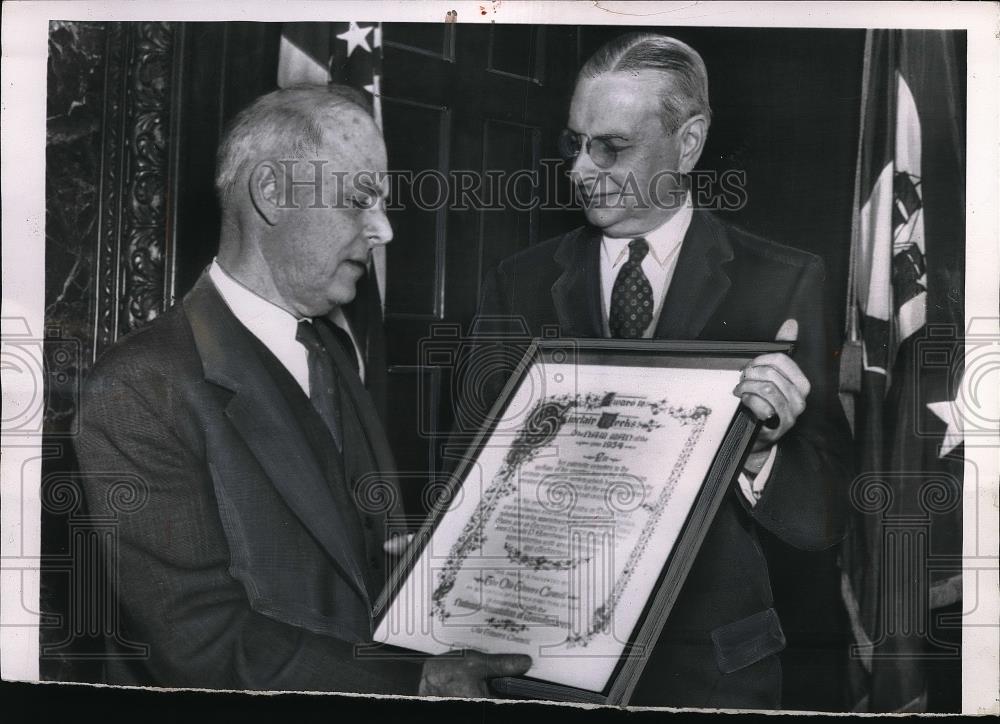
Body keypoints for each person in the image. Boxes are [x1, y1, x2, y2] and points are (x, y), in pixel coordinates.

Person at [74, 85, 530, 695]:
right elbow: (199, 644)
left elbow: (351, 553)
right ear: (271, 193)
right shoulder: (139, 387)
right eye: (360, 199)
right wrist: (416, 681)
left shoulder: (332, 348)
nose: (385, 230)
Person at [469, 33, 852, 708]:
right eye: (575, 143)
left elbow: (822, 518)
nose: (582, 169)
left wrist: (762, 452)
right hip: (547, 671)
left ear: (690, 142)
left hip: (713, 675)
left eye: (610, 146)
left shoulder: (784, 282)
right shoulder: (517, 284)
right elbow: (473, 468)